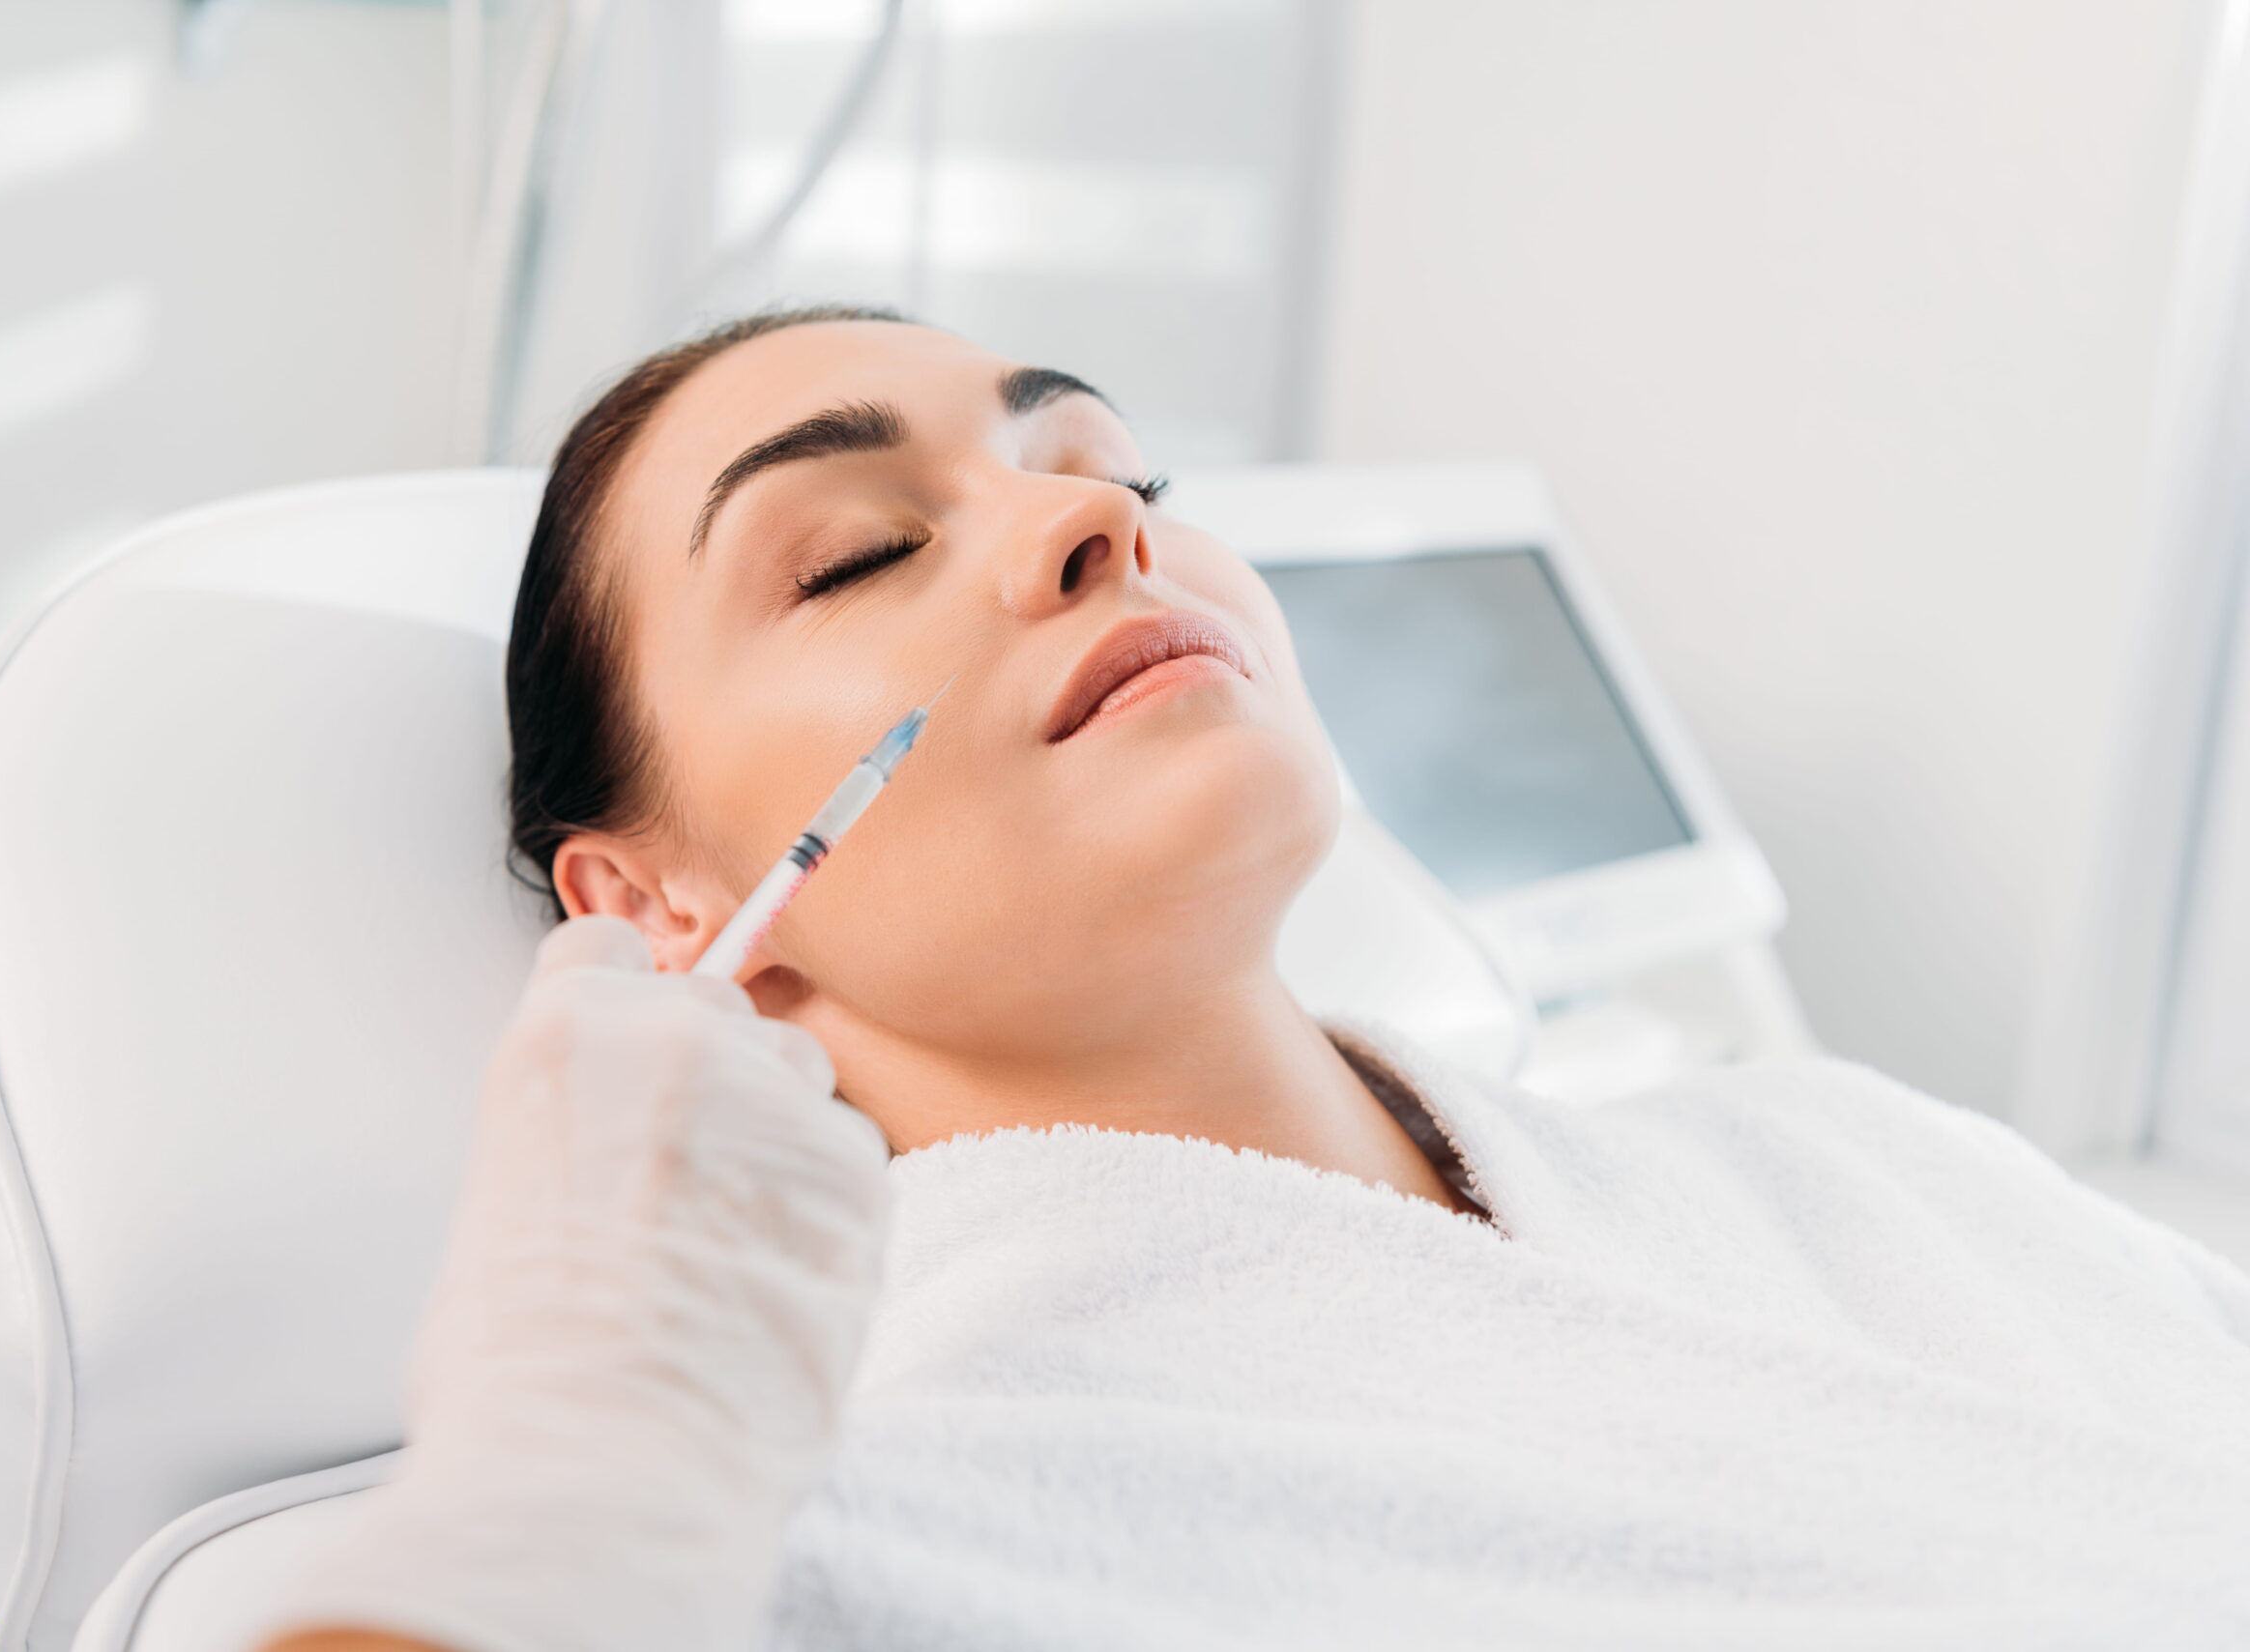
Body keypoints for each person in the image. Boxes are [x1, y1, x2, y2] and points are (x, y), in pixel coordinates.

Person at [263, 307, 2250, 1652]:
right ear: (667, 914)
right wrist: (573, 1469)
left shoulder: (1854, 1153)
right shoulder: (834, 1536)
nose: (1091, 521)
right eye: (857, 550)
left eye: (1116, 470)